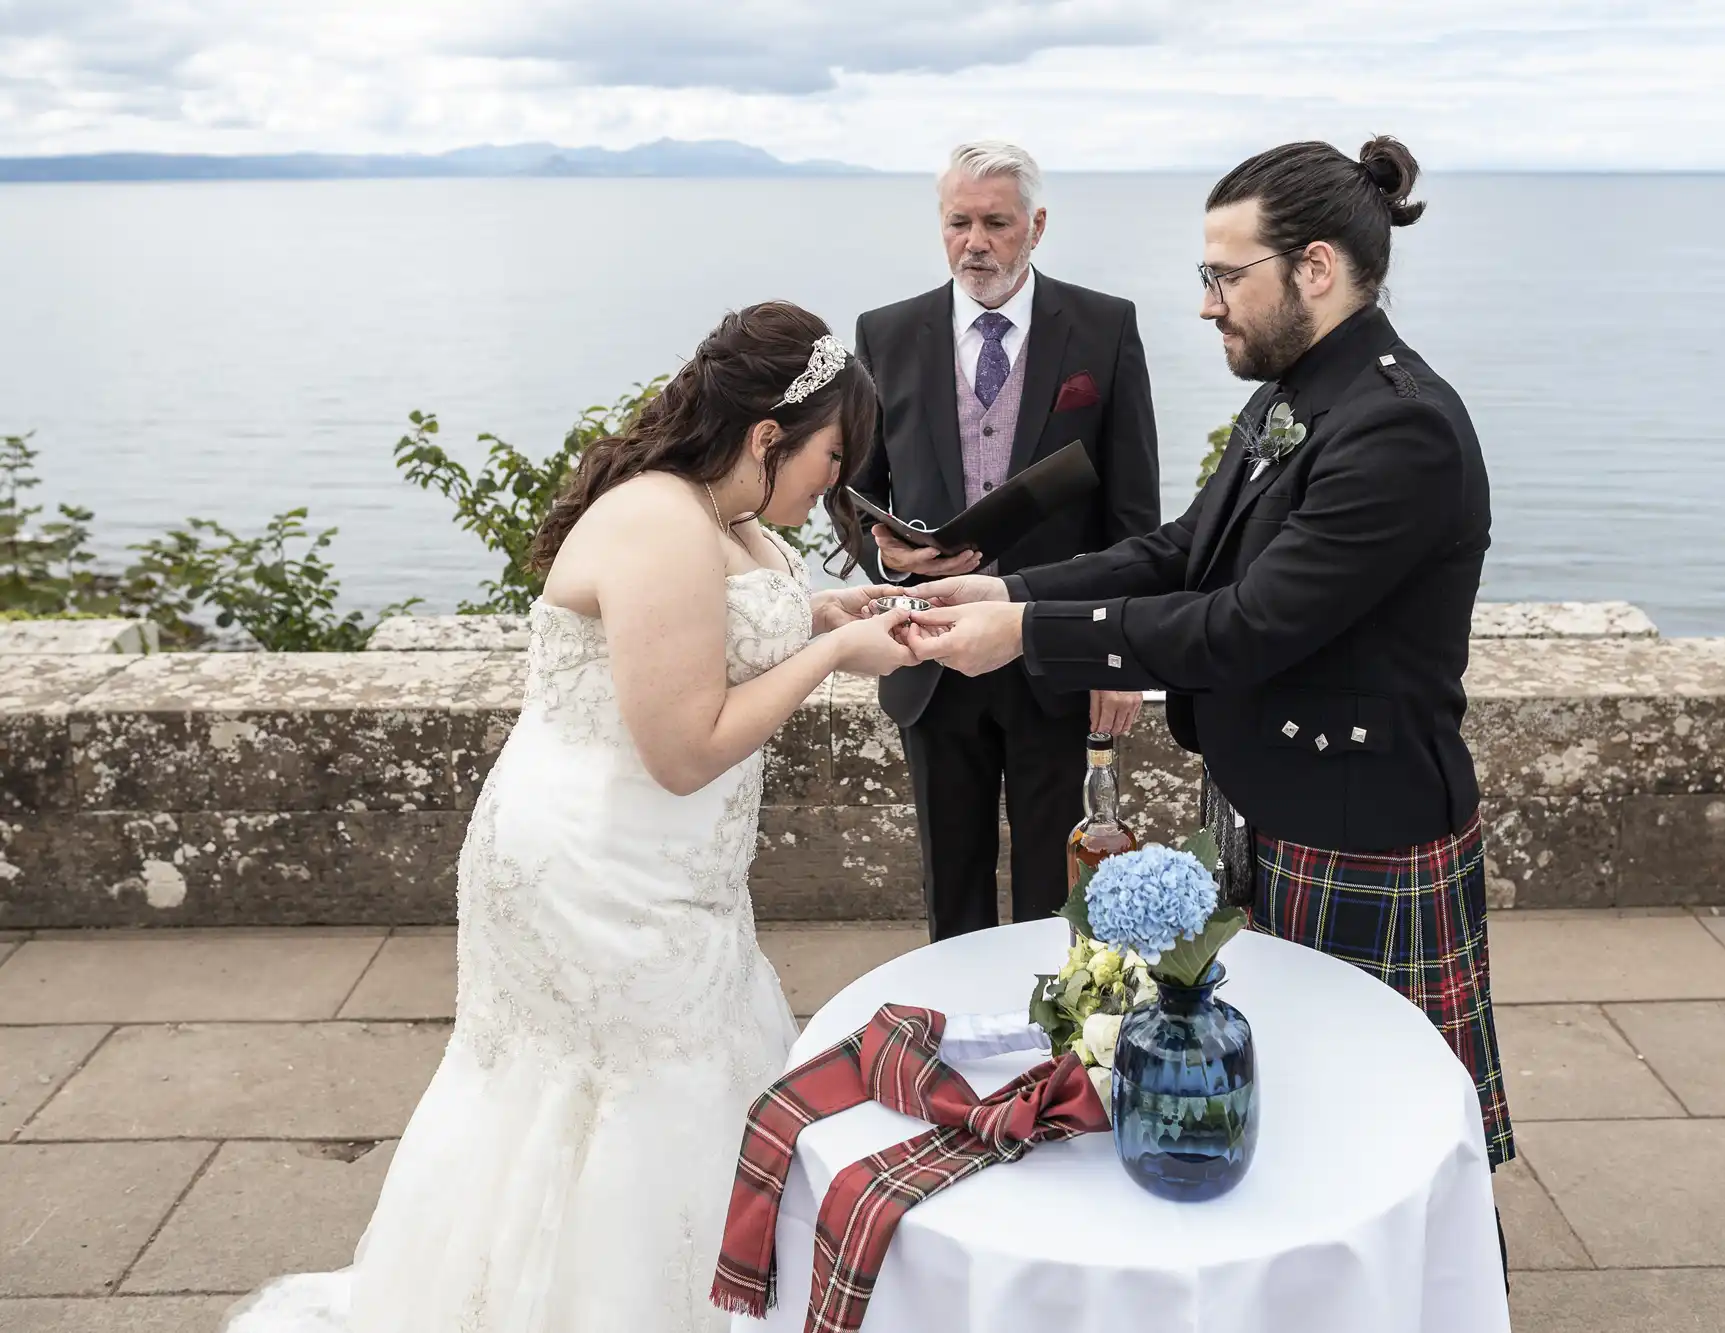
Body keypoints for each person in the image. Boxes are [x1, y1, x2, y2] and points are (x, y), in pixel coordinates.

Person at [223, 303, 917, 1332]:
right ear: (769, 436)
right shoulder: (655, 520)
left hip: (678, 872)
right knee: (608, 1098)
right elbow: (682, 749)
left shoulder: (728, 516)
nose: (834, 485)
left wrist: (818, 614)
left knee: (693, 1070)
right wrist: (829, 660)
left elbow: (718, 631)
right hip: (594, 866)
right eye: (829, 455)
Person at [880, 138, 1515, 1195]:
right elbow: (1183, 549)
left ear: (1314, 269)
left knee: (1384, 1134)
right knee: (1289, 1110)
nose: (1208, 304)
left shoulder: (1396, 428)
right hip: (1271, 806)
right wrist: (1008, 591)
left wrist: (1028, 639)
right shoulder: (1299, 394)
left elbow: (1245, 626)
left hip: (1356, 829)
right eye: (1205, 278)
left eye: (1225, 277)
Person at [851, 140, 1162, 942]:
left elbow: (1134, 516)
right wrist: (889, 559)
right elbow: (848, 486)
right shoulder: (886, 334)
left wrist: (1117, 654)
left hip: (1052, 656)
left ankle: (1047, 1052)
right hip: (931, 653)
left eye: (996, 222)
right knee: (946, 884)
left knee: (1054, 897)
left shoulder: (1104, 327)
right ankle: (952, 1045)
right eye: (959, 222)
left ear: (1037, 225)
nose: (975, 242)